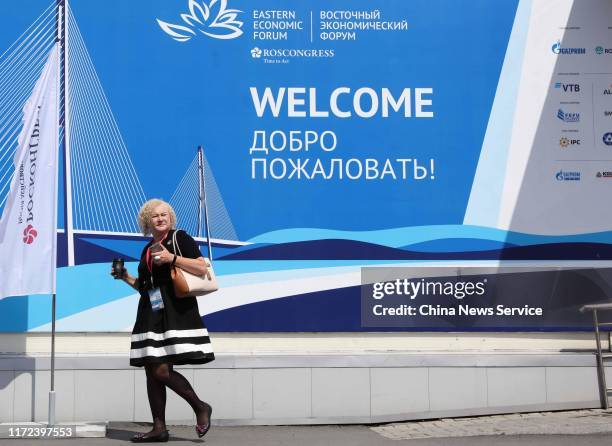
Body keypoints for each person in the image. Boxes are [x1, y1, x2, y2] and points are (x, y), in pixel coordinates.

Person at [111, 199, 215, 443]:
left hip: (176, 310)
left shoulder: (180, 238)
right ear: (147, 221)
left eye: (164, 214)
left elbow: (201, 267)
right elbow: (146, 288)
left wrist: (172, 259)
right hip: (151, 311)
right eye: (155, 216)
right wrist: (126, 277)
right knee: (151, 370)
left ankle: (200, 407)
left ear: (170, 218)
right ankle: (159, 428)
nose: (160, 218)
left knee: (161, 369)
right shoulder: (147, 249)